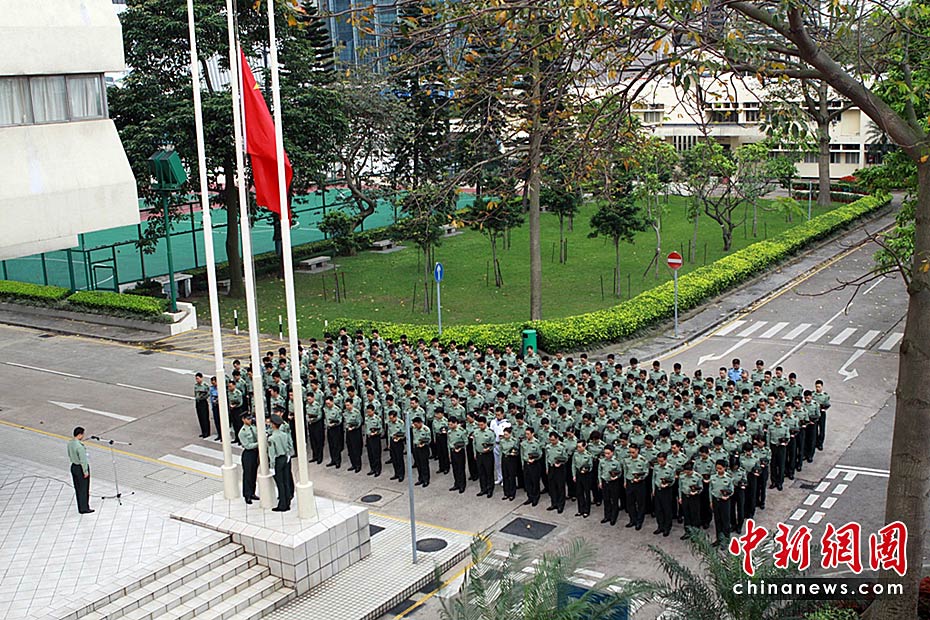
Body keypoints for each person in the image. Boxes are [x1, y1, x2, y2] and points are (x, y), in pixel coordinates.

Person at [268, 415, 293, 512]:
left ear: (273, 425)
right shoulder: (284, 435)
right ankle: (288, 502)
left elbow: (272, 454)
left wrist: (272, 466)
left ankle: (282, 505)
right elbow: (288, 446)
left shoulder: (272, 438)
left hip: (278, 460)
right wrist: (288, 455)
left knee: (280, 483)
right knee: (286, 481)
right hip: (285, 458)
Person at [623, 443, 649, 530]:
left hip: (639, 483)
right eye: (630, 452)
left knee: (640, 503)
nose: (631, 454)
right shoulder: (627, 460)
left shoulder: (643, 460)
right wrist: (625, 481)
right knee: (630, 503)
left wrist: (640, 478)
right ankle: (632, 519)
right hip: (630, 482)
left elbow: (646, 472)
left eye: (633, 452)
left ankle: (639, 521)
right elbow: (625, 471)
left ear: (637, 450)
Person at [68, 427, 93, 514]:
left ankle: (80, 506)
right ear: (79, 435)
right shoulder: (80, 446)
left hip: (73, 466)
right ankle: (84, 508)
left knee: (78, 488)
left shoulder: (70, 443)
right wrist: (85, 471)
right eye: (82, 434)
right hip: (80, 468)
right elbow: (83, 460)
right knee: (84, 489)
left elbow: (69, 454)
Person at [710, 459, 734, 546]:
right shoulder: (713, 477)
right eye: (717, 468)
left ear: (725, 468)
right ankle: (718, 539)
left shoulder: (728, 478)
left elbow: (731, 490)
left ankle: (726, 540)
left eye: (720, 468)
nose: (718, 470)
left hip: (725, 501)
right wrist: (710, 501)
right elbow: (710, 489)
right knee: (717, 520)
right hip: (715, 500)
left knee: (725, 521)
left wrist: (727, 496)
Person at [652, 452, 676, 537]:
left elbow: (673, 480)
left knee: (667, 509)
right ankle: (660, 526)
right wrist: (653, 489)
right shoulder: (656, 467)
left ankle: (667, 527)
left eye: (662, 461)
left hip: (666, 490)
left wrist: (667, 485)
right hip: (658, 489)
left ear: (666, 459)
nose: (660, 463)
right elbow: (653, 478)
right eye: (659, 461)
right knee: (658, 509)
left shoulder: (671, 468)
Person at [473, 416, 497, 498]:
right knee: (481, 472)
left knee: (489, 472)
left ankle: (490, 489)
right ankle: (483, 488)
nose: (480, 426)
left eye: (482, 425)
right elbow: (474, 443)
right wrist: (475, 453)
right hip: (479, 454)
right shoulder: (476, 431)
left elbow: (493, 444)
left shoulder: (490, 432)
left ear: (485, 424)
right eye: (479, 425)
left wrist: (489, 449)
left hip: (487, 455)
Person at [238, 412, 260, 504]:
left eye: (250, 418)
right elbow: (247, 445)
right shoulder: (242, 432)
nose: (250, 420)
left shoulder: (254, 427)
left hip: (255, 453)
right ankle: (247, 495)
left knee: (253, 474)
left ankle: (252, 493)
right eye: (248, 419)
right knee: (248, 475)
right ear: (243, 419)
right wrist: (259, 443)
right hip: (248, 454)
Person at [598, 444, 622, 525]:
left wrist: (616, 477)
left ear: (612, 453)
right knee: (606, 500)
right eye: (605, 453)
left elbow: (620, 472)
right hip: (605, 482)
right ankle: (607, 516)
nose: (606, 455)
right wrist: (600, 482)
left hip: (613, 483)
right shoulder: (602, 461)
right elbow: (599, 471)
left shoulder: (616, 462)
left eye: (608, 453)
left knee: (614, 500)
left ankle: (613, 517)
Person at [545, 431, 568, 513]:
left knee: (560, 487)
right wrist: (547, 468)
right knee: (552, 486)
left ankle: (560, 505)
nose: (552, 441)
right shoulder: (548, 447)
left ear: (557, 438)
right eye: (550, 440)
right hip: (551, 467)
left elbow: (565, 458)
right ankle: (554, 503)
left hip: (559, 468)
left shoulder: (562, 447)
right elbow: (546, 458)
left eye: (553, 440)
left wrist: (560, 463)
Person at [521, 427, 544, 507]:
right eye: (526, 434)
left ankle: (535, 497)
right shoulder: (523, 443)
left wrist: (534, 459)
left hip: (534, 464)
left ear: (532, 434)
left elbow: (540, 454)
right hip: (526, 463)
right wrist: (523, 463)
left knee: (535, 481)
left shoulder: (537, 443)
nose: (526, 435)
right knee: (527, 482)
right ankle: (530, 497)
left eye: (528, 434)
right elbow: (522, 454)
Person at [571, 439, 594, 518]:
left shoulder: (588, 455)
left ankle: (587, 510)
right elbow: (573, 465)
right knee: (579, 493)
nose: (578, 448)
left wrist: (586, 470)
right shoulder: (575, 454)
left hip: (586, 475)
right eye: (577, 447)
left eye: (580, 447)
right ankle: (580, 509)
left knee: (587, 493)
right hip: (578, 474)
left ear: (584, 446)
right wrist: (574, 475)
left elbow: (591, 466)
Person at [447, 417, 468, 493]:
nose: (450, 426)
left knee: (460, 469)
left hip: (460, 452)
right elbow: (448, 442)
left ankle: (462, 485)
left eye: (451, 424)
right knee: (455, 469)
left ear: (456, 423)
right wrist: (449, 453)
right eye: (449, 424)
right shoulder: (449, 432)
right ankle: (456, 484)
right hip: (452, 451)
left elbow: (466, 441)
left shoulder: (462, 431)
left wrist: (460, 448)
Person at [499, 426, 520, 501]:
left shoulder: (514, 441)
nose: (505, 436)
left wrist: (514, 453)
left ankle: (512, 493)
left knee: (512, 476)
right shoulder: (502, 441)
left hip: (512, 459)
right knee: (505, 476)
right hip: (505, 458)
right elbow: (501, 450)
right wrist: (500, 460)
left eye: (507, 434)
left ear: (510, 434)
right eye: (504, 434)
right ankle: (506, 493)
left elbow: (516, 450)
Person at [411, 416, 432, 487]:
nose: (415, 426)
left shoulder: (426, 429)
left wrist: (423, 444)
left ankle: (426, 479)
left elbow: (429, 439)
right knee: (418, 464)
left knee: (424, 464)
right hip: (416, 447)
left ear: (420, 423)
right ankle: (420, 478)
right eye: (414, 425)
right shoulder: (414, 429)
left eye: (416, 424)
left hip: (423, 448)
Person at [344, 400, 364, 473]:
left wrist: (353, 427)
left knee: (356, 449)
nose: (347, 407)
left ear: (352, 404)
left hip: (355, 432)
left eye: (348, 405)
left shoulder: (356, 412)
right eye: (346, 405)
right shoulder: (345, 412)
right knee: (350, 448)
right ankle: (353, 464)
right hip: (348, 431)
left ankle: (358, 465)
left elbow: (359, 423)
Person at [324, 397, 344, 469]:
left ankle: (338, 461)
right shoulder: (326, 409)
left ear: (332, 402)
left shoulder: (337, 410)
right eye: (327, 404)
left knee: (336, 445)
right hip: (329, 428)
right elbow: (325, 418)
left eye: (329, 403)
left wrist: (334, 424)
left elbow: (340, 420)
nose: (328, 405)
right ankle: (333, 460)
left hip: (335, 429)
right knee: (331, 445)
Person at [386, 411, 406, 482]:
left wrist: (399, 438)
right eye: (390, 418)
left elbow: (404, 434)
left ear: (395, 417)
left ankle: (401, 474)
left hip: (398, 442)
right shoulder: (389, 423)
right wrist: (389, 443)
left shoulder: (400, 423)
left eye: (392, 418)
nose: (391, 420)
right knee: (394, 459)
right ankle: (396, 473)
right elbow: (389, 433)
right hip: (392, 441)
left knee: (399, 458)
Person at [364, 404, 383, 477]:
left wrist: (375, 433)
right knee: (370, 454)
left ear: (373, 411)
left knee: (376, 454)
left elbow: (380, 429)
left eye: (370, 412)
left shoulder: (377, 419)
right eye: (367, 412)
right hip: (369, 437)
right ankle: (372, 468)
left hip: (375, 438)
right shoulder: (366, 418)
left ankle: (378, 469)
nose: (368, 413)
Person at [193, 373, 211, 438]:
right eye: (196, 379)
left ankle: (207, 432)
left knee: (204, 417)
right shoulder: (196, 386)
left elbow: (208, 393)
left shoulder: (205, 385)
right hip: (198, 402)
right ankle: (203, 431)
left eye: (198, 378)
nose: (197, 380)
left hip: (203, 402)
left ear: (201, 378)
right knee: (200, 417)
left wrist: (203, 397)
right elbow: (195, 394)